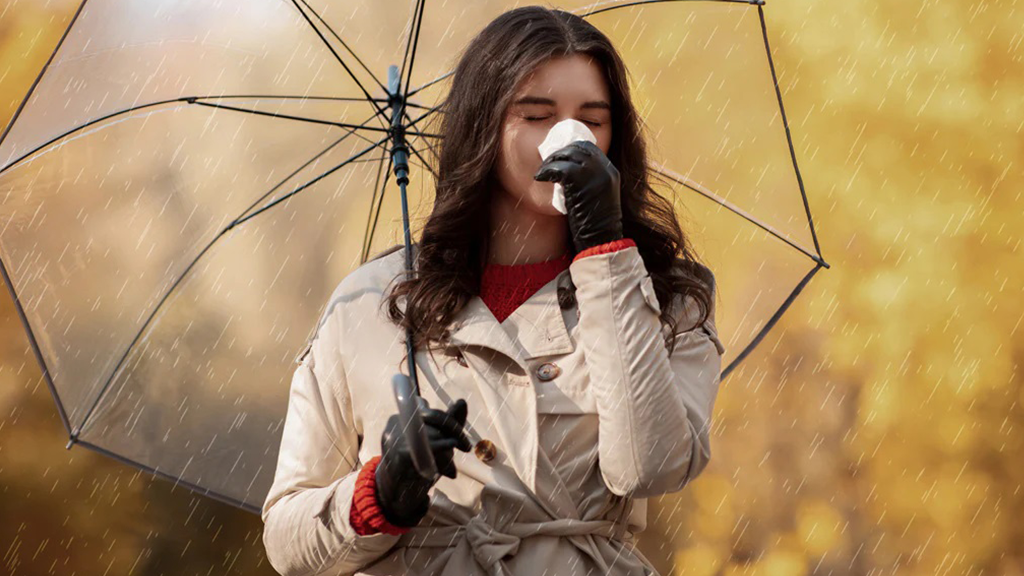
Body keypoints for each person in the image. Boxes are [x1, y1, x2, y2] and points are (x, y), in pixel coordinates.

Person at [261, 6, 726, 576]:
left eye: (593, 120)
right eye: (536, 115)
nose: (568, 137)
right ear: (484, 125)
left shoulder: (666, 294)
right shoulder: (372, 304)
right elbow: (287, 541)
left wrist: (606, 251)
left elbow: (648, 467)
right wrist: (381, 492)